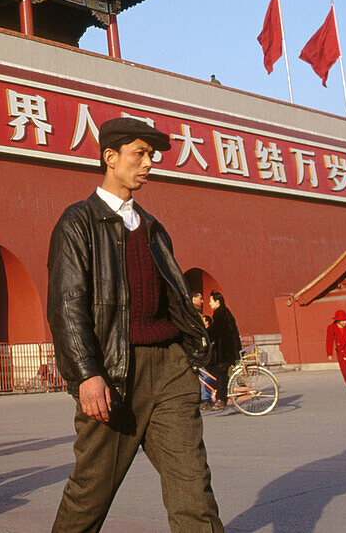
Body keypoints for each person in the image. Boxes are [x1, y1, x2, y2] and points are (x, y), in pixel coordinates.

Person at [47, 117, 222, 532]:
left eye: (152, 155)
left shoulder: (154, 228)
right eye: (140, 154)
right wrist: (87, 374)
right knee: (90, 493)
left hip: (170, 371)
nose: (149, 164)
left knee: (194, 489)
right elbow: (67, 306)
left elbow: (174, 298)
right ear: (110, 157)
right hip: (114, 374)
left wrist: (191, 352)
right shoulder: (78, 223)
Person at [207, 291, 241, 412]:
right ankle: (221, 395)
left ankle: (221, 399)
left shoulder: (219, 313)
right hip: (229, 349)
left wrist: (205, 336)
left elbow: (216, 330)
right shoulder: (224, 311)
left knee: (219, 371)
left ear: (217, 302)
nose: (209, 303)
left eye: (211, 301)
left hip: (226, 350)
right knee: (220, 371)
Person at [191, 292, 214, 409]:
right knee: (205, 374)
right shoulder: (193, 313)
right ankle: (205, 399)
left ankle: (205, 398)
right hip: (197, 348)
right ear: (193, 299)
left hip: (199, 347)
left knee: (204, 374)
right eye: (200, 298)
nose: (203, 301)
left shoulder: (196, 313)